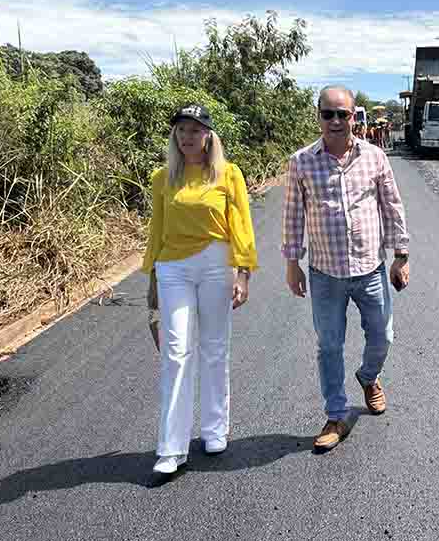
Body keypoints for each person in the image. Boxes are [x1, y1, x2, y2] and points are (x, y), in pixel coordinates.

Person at [282, 85, 410, 451]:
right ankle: (336, 415)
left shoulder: (374, 157)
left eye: (343, 114)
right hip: (324, 272)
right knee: (329, 346)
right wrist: (293, 263)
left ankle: (369, 377)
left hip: (370, 268)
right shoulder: (301, 162)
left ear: (354, 116)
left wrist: (401, 255)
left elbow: (392, 206)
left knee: (383, 336)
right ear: (318, 115)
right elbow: (292, 216)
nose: (336, 121)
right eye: (329, 114)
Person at [141, 103, 258, 474]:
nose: (187, 136)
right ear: (175, 136)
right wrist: (152, 280)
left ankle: (214, 429)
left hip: (215, 264)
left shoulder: (228, 174)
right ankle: (171, 448)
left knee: (214, 348)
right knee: (175, 352)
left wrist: (243, 273)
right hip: (173, 267)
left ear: (208, 135)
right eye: (181, 130)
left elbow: (241, 225)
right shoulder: (163, 177)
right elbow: (156, 229)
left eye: (195, 130)